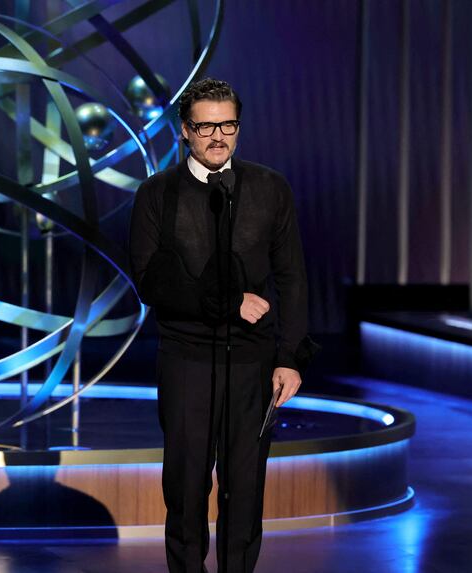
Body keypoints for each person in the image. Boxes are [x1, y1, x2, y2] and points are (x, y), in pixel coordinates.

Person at [129, 77, 312, 573]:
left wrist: (290, 357)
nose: (217, 136)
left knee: (245, 486)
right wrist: (227, 303)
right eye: (205, 126)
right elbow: (150, 283)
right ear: (185, 131)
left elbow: (292, 277)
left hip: (253, 364)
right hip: (186, 360)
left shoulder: (269, 187)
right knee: (186, 488)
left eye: (227, 125)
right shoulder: (158, 194)